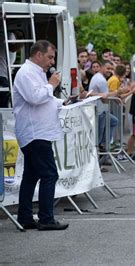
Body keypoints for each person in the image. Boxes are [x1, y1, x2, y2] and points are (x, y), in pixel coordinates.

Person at [13, 40, 69, 230]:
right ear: (38, 55)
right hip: (35, 133)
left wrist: (64, 102)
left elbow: (45, 100)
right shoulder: (26, 73)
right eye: (50, 57)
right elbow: (35, 98)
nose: (52, 62)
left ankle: (26, 217)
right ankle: (46, 218)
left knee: (31, 175)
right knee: (49, 174)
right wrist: (51, 85)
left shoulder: (37, 73)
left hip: (39, 131)